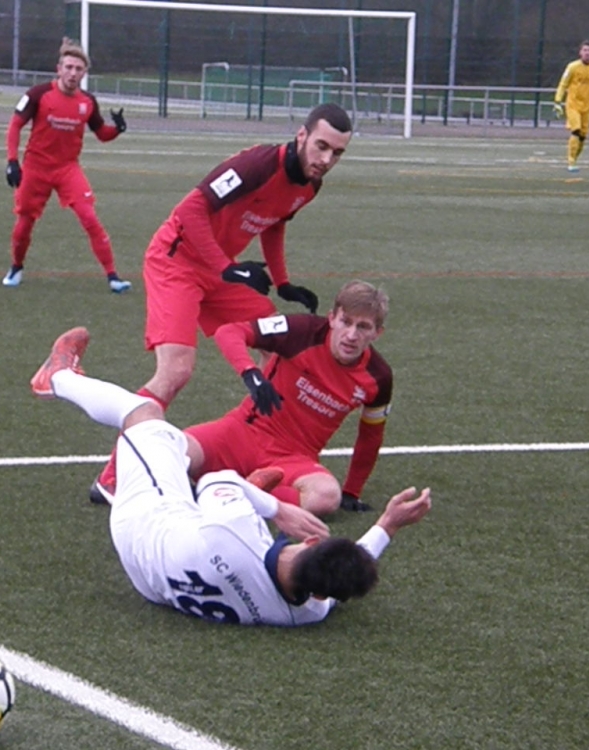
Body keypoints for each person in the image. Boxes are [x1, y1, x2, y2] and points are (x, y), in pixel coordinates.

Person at [30, 326, 431, 626]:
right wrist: (387, 525)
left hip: (144, 525)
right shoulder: (306, 613)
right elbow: (339, 582)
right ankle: (245, 492)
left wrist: (276, 510)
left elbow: (214, 480)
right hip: (153, 584)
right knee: (221, 501)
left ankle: (58, 378)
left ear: (311, 539)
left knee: (144, 414)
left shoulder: (236, 530)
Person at [92, 102, 353, 502]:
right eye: (321, 146)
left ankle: (261, 450)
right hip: (176, 260)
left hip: (218, 270)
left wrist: (283, 282)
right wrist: (226, 267)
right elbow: (190, 209)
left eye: (337, 153)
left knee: (276, 346)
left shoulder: (309, 186)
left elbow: (275, 222)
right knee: (176, 370)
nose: (326, 159)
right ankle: (113, 479)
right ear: (301, 135)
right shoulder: (258, 165)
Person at [183, 280, 392, 517]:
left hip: (292, 459)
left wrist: (352, 491)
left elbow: (370, 437)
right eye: (346, 322)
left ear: (377, 333)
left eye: (363, 327)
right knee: (173, 450)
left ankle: (223, 492)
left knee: (326, 497)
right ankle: (244, 491)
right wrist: (250, 373)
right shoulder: (302, 330)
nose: (351, 335)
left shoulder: (378, 378)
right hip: (240, 433)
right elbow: (230, 332)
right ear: (332, 318)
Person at [2, 37, 130, 293]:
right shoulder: (38, 94)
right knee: (25, 222)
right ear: (59, 69)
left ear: (84, 73)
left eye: (78, 69)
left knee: (89, 217)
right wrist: (12, 161)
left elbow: (101, 134)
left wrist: (118, 128)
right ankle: (16, 267)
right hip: (36, 168)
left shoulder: (88, 102)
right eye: (69, 67)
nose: (73, 73)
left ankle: (113, 277)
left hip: (67, 169)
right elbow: (15, 125)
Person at [553, 40, 589, 173]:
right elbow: (563, 84)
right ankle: (570, 161)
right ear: (580, 52)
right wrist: (557, 102)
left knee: (583, 136)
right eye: (585, 50)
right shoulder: (572, 67)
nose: (587, 53)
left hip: (587, 107)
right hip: (573, 105)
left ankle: (575, 159)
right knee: (575, 131)